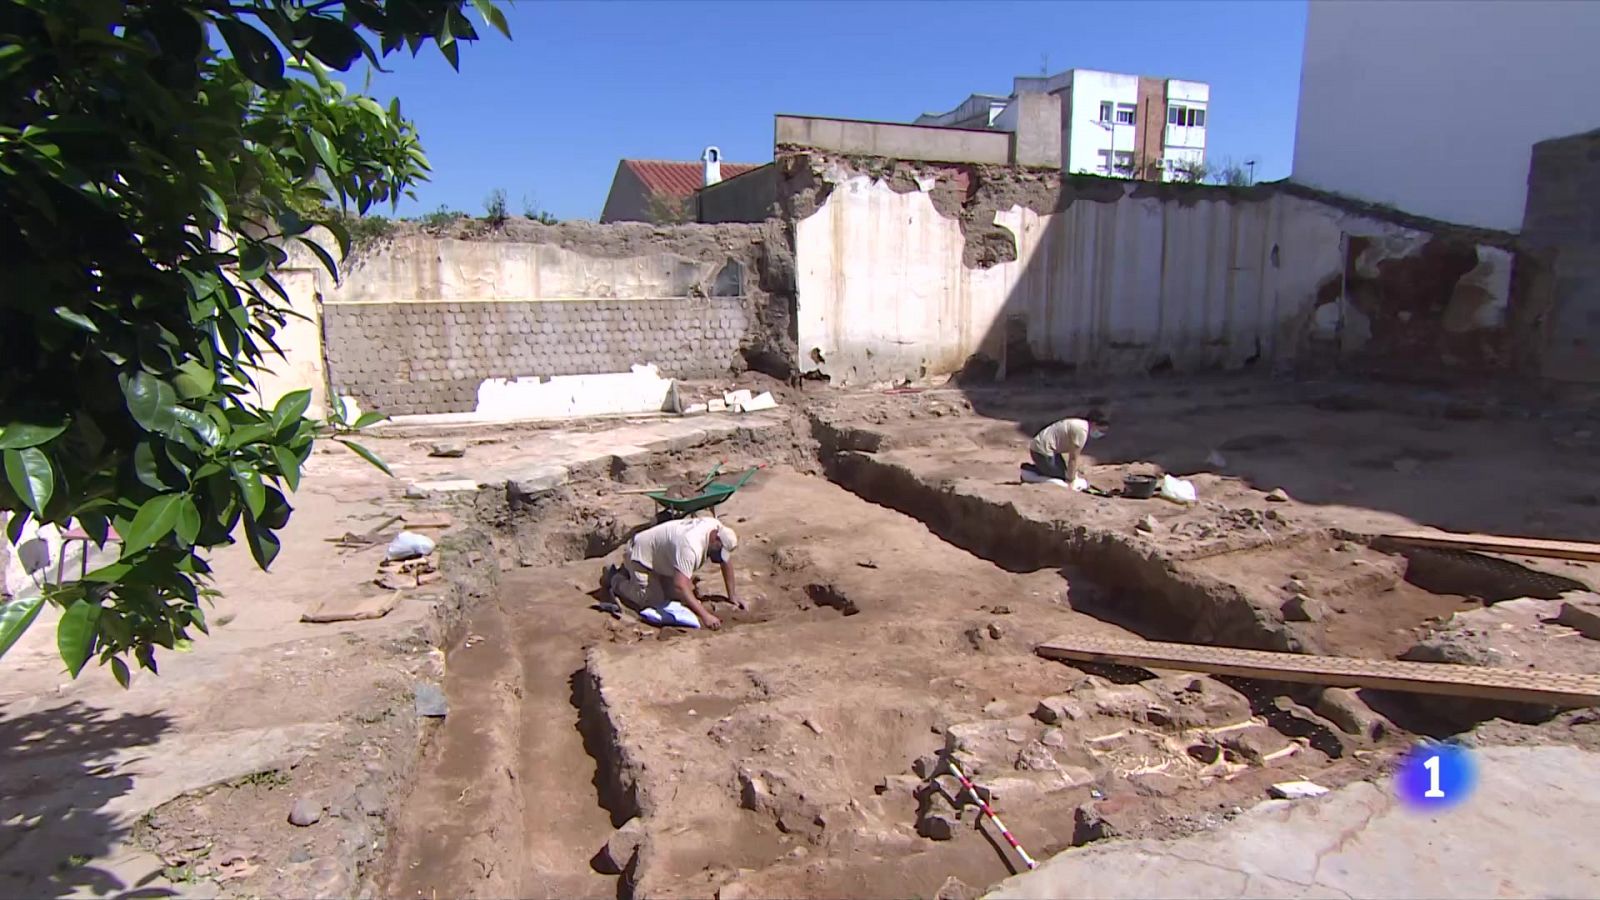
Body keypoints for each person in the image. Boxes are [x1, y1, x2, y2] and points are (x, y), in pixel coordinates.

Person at [603, 516, 741, 630]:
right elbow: (680, 585)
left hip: (661, 559)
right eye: (719, 551)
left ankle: (638, 577)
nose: (719, 557)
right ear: (715, 539)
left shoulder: (716, 527)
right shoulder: (691, 546)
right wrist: (706, 616)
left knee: (676, 597)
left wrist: (732, 596)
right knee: (652, 600)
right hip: (639, 555)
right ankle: (616, 579)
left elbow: (725, 561)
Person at [1029, 410, 1109, 483]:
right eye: (1101, 430)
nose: (1101, 433)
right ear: (1094, 424)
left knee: (1063, 473)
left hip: (1047, 449)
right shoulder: (1081, 431)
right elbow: (1073, 458)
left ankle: (1039, 470)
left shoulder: (1079, 424)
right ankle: (1028, 473)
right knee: (1060, 479)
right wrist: (1071, 480)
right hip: (1042, 450)